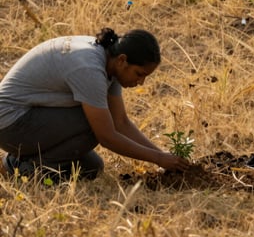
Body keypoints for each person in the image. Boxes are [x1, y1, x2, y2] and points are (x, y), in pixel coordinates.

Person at [0, 28, 192, 180]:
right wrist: (158, 159)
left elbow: (121, 122)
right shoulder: (89, 68)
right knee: (94, 125)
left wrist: (162, 157)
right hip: (10, 123)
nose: (141, 82)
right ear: (123, 60)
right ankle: (15, 166)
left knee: (90, 168)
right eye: (139, 74)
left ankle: (30, 165)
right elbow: (107, 136)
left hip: (31, 117)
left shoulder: (111, 62)